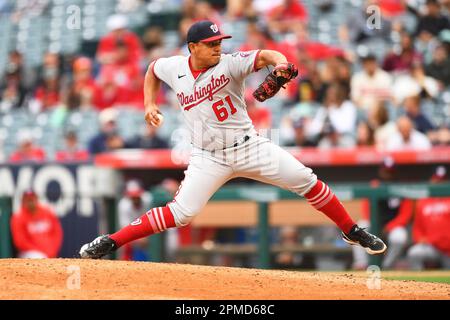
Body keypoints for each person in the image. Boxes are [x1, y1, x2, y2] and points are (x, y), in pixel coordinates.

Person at [80, 20, 386, 259]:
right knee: (182, 213)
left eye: (219, 42)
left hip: (249, 146)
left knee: (307, 180)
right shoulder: (174, 67)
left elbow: (268, 55)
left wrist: (279, 65)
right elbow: (151, 70)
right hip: (207, 156)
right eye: (211, 44)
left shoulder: (230, 63)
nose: (217, 48)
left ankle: (351, 230)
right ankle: (110, 241)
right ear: (192, 47)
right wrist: (149, 104)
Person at [407, 166, 450, 270]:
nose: (439, 183)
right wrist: (420, 238)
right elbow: (417, 227)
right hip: (432, 247)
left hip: (448, 248)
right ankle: (418, 284)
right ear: (432, 180)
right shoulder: (424, 202)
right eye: (437, 180)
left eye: (442, 180)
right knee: (414, 253)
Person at [10, 190, 63, 259]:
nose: (30, 202)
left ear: (36, 199)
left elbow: (57, 233)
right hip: (29, 253)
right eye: (28, 200)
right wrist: (41, 251)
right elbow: (20, 242)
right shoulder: (18, 217)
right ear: (23, 201)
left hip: (50, 253)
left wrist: (52, 250)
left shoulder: (47, 212)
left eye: (32, 199)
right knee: (38, 256)